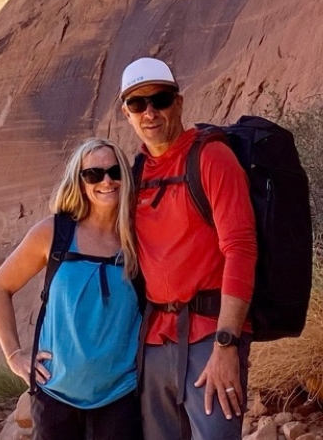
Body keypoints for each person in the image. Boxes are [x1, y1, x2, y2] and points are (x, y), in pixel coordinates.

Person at [122, 57, 256, 440]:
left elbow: (241, 249)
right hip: (154, 341)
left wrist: (226, 344)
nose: (150, 112)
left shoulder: (211, 157)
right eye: (137, 104)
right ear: (126, 113)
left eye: (160, 99)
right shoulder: (135, 174)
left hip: (210, 337)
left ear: (178, 103)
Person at [0, 138, 144, 440]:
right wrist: (14, 356)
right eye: (93, 174)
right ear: (80, 182)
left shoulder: (137, 238)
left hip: (121, 399)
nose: (106, 181)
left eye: (114, 172)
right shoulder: (54, 233)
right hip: (56, 398)